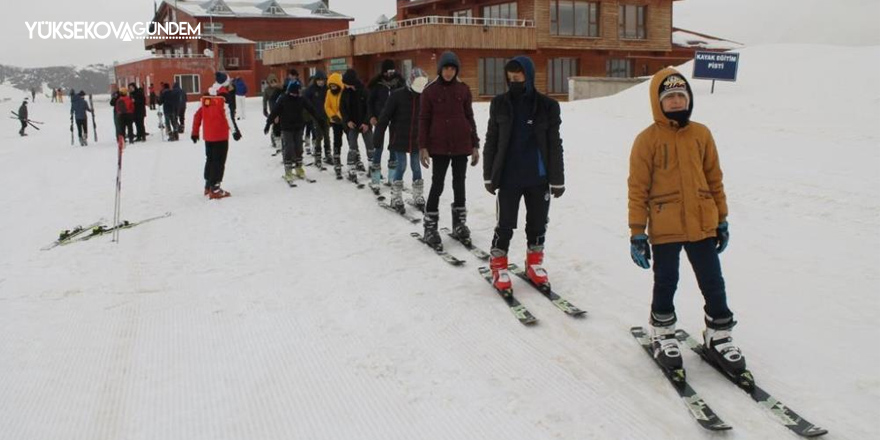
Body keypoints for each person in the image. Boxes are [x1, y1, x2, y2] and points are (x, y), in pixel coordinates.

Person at [627, 67, 745, 377]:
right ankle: (663, 331)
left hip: (702, 223)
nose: (677, 102)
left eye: (681, 96)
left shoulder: (702, 134)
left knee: (712, 281)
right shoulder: (646, 140)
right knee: (666, 280)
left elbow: (714, 179)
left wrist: (722, 218)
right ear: (658, 102)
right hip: (665, 226)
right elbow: (637, 189)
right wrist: (637, 232)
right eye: (670, 97)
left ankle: (718, 334)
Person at [483, 56, 565, 291]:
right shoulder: (499, 104)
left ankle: (534, 262)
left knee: (538, 222)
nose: (514, 82)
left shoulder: (547, 106)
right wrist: (489, 174)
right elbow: (492, 140)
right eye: (510, 78)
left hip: (538, 177)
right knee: (505, 223)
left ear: (528, 75)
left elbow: (554, 143)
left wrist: (557, 179)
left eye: (518, 77)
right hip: (509, 176)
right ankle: (498, 263)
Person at [418, 51, 480, 249]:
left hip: (461, 145)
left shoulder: (463, 89)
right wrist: (423, 147)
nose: (449, 72)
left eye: (452, 68)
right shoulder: (429, 92)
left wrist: (475, 144)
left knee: (459, 184)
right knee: (438, 184)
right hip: (439, 146)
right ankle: (430, 226)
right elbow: (423, 121)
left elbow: (469, 117)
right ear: (440, 69)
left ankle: (460, 224)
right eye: (446, 68)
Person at [372, 68, 429, 212]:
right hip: (399, 138)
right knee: (401, 166)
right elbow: (385, 116)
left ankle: (418, 195)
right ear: (411, 82)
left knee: (416, 166)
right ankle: (395, 196)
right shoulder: (397, 96)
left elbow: (428, 120)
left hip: (416, 139)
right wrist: (378, 135)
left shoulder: (424, 97)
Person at [191, 72, 242, 199]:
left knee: (210, 159)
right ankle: (215, 188)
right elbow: (228, 115)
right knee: (219, 162)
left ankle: (208, 185)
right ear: (225, 83)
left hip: (208, 136)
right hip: (220, 135)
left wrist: (195, 132)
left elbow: (198, 114)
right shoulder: (224, 97)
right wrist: (235, 131)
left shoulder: (205, 97)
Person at [264, 80, 320, 183]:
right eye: (296, 91)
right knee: (289, 147)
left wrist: (319, 118)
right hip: (286, 128)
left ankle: (298, 167)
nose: (298, 93)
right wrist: (268, 123)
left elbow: (311, 108)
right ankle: (288, 170)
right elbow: (275, 111)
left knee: (299, 147)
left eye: (298, 91)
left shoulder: (301, 99)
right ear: (291, 91)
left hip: (298, 126)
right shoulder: (283, 99)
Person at [367, 59, 406, 186]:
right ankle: (375, 178)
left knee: (394, 147)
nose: (390, 74)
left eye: (392, 71)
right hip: (380, 118)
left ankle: (392, 176)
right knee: (378, 146)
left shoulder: (399, 83)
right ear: (383, 72)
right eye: (387, 71)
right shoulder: (377, 85)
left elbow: (404, 101)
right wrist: (372, 116)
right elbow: (370, 102)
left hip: (395, 120)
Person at [340, 69, 371, 175]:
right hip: (352, 124)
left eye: (347, 84)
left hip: (365, 124)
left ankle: (372, 168)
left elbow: (369, 108)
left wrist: (366, 122)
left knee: (370, 146)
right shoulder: (345, 92)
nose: (346, 86)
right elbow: (342, 108)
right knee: (352, 147)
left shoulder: (364, 91)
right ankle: (351, 168)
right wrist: (347, 121)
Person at [303, 70, 331, 167]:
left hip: (326, 116)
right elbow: (305, 100)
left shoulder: (327, 89)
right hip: (315, 116)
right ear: (315, 80)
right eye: (318, 80)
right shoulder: (311, 90)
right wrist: (311, 111)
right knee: (319, 136)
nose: (320, 82)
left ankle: (328, 154)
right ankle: (318, 156)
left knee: (327, 135)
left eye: (322, 80)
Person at [324, 72, 346, 180]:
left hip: (345, 120)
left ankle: (356, 158)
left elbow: (344, 105)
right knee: (337, 141)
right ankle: (337, 158)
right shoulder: (329, 93)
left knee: (351, 139)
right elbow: (327, 106)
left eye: (334, 86)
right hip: (335, 122)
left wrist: (340, 115)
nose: (333, 88)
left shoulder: (344, 92)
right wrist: (333, 116)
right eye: (331, 86)